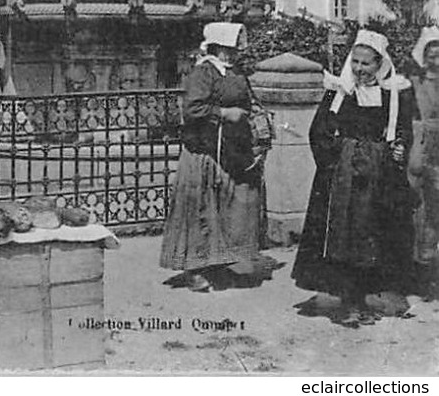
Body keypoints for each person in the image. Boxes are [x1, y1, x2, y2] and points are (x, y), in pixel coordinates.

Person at [292, 29, 414, 326]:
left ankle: (362, 298)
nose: (359, 69)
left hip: (378, 178)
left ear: (380, 64)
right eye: (355, 62)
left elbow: (402, 131)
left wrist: (398, 150)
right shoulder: (339, 91)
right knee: (343, 236)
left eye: (367, 63)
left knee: (371, 235)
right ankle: (347, 302)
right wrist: (336, 161)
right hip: (344, 177)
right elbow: (318, 131)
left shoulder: (393, 94)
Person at [160, 22, 273, 291]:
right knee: (201, 212)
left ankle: (223, 263)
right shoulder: (203, 72)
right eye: (226, 49)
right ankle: (195, 269)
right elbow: (193, 109)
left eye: (234, 49)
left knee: (228, 211)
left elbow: (247, 100)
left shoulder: (234, 73)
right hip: (204, 152)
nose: (232, 54)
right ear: (215, 47)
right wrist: (223, 113)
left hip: (232, 151)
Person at [408, 26, 439, 297]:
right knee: (419, 205)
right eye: (432, 54)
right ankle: (418, 266)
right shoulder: (414, 82)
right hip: (421, 147)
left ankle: (430, 261)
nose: (437, 60)